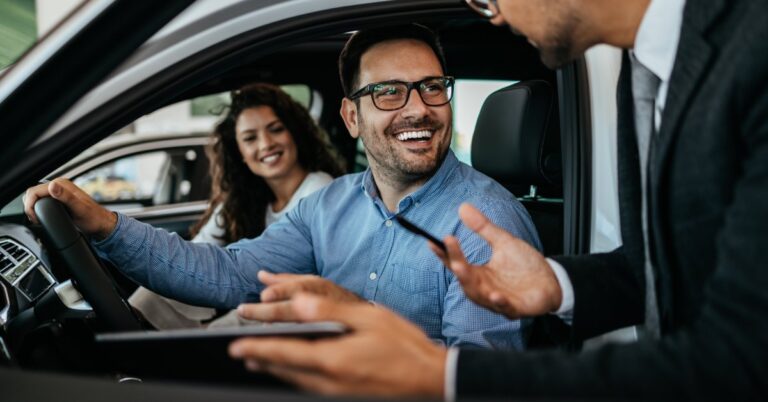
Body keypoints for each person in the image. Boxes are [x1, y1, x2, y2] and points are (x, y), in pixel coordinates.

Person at [223, 0, 768, 399]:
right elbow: (670, 268)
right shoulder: (644, 73)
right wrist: (559, 284)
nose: (496, 17)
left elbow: (742, 357)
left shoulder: (753, 51)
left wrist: (442, 375)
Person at [24, 24, 542, 348]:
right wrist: (107, 226)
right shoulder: (328, 205)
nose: (418, 108)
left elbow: (481, 380)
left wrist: (358, 317)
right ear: (351, 116)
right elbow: (225, 273)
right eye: (388, 92)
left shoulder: (486, 220)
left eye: (431, 87)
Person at [129, 83, 345, 329]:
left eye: (275, 130)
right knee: (156, 291)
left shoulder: (320, 189)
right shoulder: (246, 198)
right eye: (250, 138)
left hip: (299, 307)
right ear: (239, 152)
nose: (265, 144)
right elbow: (198, 249)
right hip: (254, 296)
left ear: (294, 134)